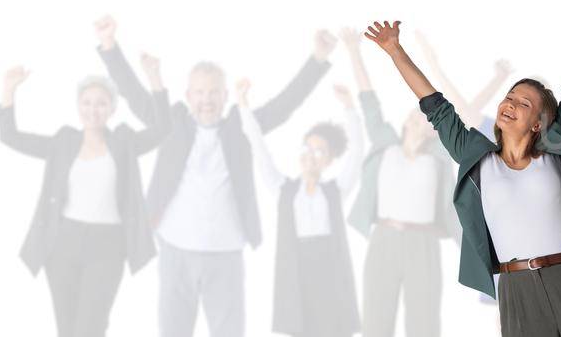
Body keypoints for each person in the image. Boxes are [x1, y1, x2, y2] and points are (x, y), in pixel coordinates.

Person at [92, 17, 335, 337]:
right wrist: (109, 47)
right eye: (200, 93)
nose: (207, 100)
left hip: (226, 255)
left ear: (225, 96)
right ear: (189, 96)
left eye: (214, 93)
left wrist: (317, 59)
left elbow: (283, 106)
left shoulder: (240, 125)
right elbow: (136, 97)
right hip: (175, 250)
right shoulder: (172, 121)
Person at [364, 19, 561, 336]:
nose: (510, 104)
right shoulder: (478, 159)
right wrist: (395, 50)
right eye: (509, 97)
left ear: (539, 124)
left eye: (524, 103)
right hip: (516, 288)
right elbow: (436, 107)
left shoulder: (554, 153)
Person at [0, 24, 167, 336]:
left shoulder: (124, 143)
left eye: (101, 103)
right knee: (67, 328)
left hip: (108, 245)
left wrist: (154, 78)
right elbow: (10, 137)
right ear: (78, 107)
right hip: (63, 242)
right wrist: (9, 90)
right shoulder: (63, 142)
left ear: (112, 108)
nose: (93, 109)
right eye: (87, 103)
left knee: (90, 327)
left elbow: (162, 130)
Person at [338, 27, 464, 337]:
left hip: (423, 244)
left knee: (424, 322)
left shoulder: (438, 157)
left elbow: (440, 106)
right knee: (376, 319)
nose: (422, 114)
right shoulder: (386, 146)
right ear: (408, 120)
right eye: (417, 112)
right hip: (384, 238)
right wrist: (354, 51)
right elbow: (369, 104)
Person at [239, 82, 364, 337]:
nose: (311, 155)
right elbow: (259, 149)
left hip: (329, 270)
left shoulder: (335, 192)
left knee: (331, 328)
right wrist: (243, 106)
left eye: (319, 151)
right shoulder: (283, 190)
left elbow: (357, 155)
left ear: (328, 161)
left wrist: (350, 108)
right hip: (295, 270)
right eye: (307, 147)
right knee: (300, 327)